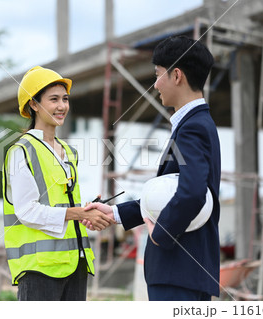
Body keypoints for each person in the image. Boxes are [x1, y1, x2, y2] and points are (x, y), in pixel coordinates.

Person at [85, 36, 221, 301]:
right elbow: (173, 195)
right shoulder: (197, 123)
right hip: (184, 272)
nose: (155, 84)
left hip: (178, 269)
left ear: (177, 75)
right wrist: (113, 213)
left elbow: (192, 193)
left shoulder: (192, 127)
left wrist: (161, 234)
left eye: (158, 75)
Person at [2, 66, 115, 301]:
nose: (62, 106)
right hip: (40, 269)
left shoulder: (68, 152)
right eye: (53, 99)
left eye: (65, 99)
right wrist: (77, 213)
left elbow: (61, 203)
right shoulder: (21, 151)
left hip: (76, 263)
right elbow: (26, 211)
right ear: (33, 104)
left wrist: (87, 212)